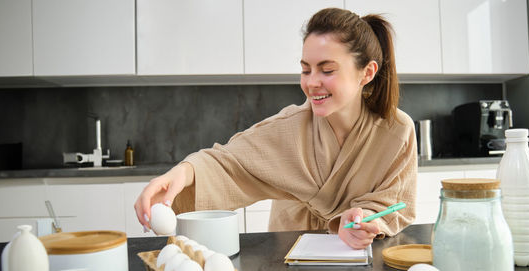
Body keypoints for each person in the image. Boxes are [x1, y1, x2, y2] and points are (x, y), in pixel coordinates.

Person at [134, 7, 417, 249]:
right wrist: (181, 174)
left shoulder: (397, 131)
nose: (311, 82)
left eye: (327, 70)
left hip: (358, 251)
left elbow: (396, 202)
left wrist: (365, 218)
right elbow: (227, 163)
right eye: (306, 69)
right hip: (291, 247)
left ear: (367, 72)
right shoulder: (290, 128)